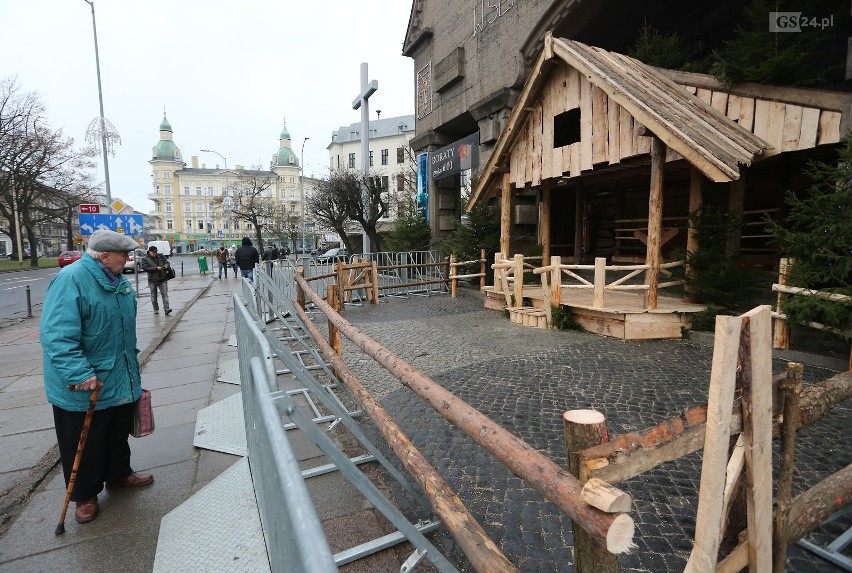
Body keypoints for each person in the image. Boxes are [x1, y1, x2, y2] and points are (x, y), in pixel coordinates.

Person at [40, 229, 153, 525]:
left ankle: (118, 475)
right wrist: (79, 373)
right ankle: (85, 494)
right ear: (104, 256)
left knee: (116, 431)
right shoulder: (72, 280)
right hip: (84, 382)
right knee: (84, 440)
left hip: (118, 373)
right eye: (123, 255)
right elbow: (56, 335)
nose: (128, 259)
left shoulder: (118, 281)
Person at [139, 245, 173, 314]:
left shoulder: (160, 256)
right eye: (153, 252)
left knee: (165, 294)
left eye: (156, 252)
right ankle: (156, 309)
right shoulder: (145, 258)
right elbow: (145, 268)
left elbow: (167, 262)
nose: (155, 253)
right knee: (153, 295)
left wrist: (166, 265)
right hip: (152, 280)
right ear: (150, 252)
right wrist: (156, 268)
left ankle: (166, 308)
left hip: (162, 279)